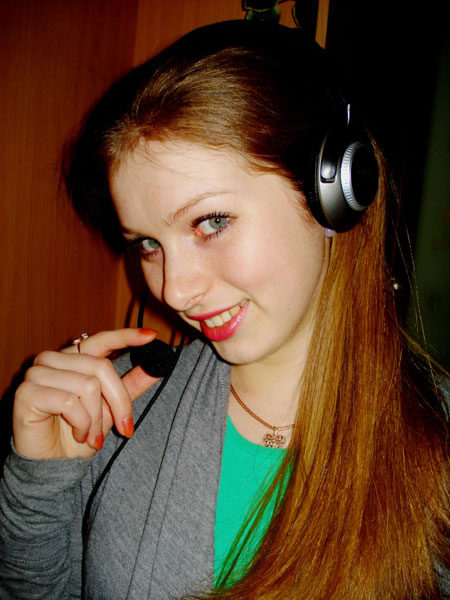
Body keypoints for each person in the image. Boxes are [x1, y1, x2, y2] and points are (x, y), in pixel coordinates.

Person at [0, 19, 449, 600]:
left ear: (334, 193)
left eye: (211, 222)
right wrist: (42, 483)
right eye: (148, 244)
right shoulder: (115, 411)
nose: (175, 291)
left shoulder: (437, 444)